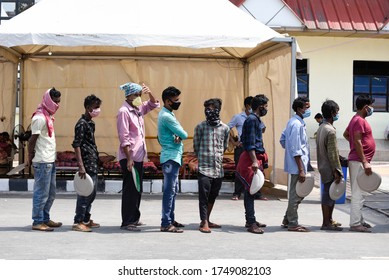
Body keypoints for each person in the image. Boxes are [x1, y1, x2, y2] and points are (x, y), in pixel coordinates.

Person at [117, 82, 160, 231]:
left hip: (139, 156)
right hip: (130, 156)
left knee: (137, 189)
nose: (138, 98)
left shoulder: (138, 109)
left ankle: (134, 218)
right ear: (128, 95)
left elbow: (154, 104)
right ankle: (127, 221)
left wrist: (150, 93)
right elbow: (124, 137)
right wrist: (129, 158)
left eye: (139, 95)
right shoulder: (124, 111)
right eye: (136, 95)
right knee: (130, 189)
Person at [28, 88, 62, 231]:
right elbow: (32, 140)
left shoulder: (47, 116)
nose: (57, 104)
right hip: (42, 161)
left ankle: (45, 218)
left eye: (58, 102)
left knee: (50, 193)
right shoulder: (39, 118)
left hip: (49, 160)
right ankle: (37, 221)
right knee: (41, 193)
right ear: (48, 100)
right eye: (55, 101)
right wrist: (30, 157)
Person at [193, 98, 229, 233]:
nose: (209, 111)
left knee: (213, 195)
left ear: (219, 110)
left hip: (218, 169)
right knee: (203, 196)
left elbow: (224, 146)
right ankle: (204, 222)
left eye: (212, 108)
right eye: (207, 108)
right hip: (204, 168)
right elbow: (196, 147)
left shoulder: (225, 128)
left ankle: (207, 218)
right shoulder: (200, 127)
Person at [236, 94, 269, 234]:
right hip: (250, 161)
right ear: (260, 107)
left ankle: (251, 219)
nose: (267, 109)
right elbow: (249, 143)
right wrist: (255, 161)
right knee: (250, 191)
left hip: (254, 159)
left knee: (252, 191)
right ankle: (251, 222)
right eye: (266, 106)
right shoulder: (251, 120)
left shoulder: (255, 119)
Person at [343, 94, 376, 233]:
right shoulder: (359, 121)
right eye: (370, 106)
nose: (372, 109)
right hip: (359, 161)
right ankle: (355, 223)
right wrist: (364, 161)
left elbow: (346, 134)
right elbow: (356, 140)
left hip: (359, 159)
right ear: (365, 107)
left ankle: (359, 220)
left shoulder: (356, 119)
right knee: (358, 192)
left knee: (360, 191)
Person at [158, 86, 188, 233]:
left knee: (173, 190)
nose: (178, 102)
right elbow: (183, 133)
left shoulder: (167, 113)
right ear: (167, 101)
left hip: (172, 156)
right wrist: (179, 135)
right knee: (169, 191)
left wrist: (177, 135)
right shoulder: (167, 116)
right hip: (170, 157)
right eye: (176, 100)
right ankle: (166, 222)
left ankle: (170, 218)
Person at [71, 94, 102, 232]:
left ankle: (86, 219)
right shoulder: (81, 124)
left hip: (93, 162)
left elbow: (90, 144)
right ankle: (78, 221)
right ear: (88, 107)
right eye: (96, 107)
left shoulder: (91, 123)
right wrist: (81, 166)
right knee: (85, 194)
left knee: (92, 193)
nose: (98, 110)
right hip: (86, 164)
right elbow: (76, 145)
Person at [279, 96, 311, 232]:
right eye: (306, 107)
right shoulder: (296, 124)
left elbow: (283, 140)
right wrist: (301, 169)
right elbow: (296, 149)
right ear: (299, 109)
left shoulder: (293, 122)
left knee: (297, 193)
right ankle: (292, 222)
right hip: (297, 165)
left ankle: (288, 218)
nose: (308, 110)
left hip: (297, 164)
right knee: (296, 194)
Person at [228, 96, 267, 201]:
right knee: (241, 170)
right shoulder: (240, 117)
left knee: (256, 172)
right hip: (244, 147)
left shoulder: (255, 119)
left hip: (255, 148)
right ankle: (237, 193)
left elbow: (262, 129)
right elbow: (227, 129)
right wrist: (234, 142)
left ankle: (256, 192)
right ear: (247, 106)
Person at [316, 100, 343, 231]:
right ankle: (326, 222)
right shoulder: (330, 130)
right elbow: (332, 153)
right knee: (328, 195)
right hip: (329, 168)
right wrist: (337, 171)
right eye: (337, 112)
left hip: (322, 165)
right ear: (332, 113)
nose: (338, 114)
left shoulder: (321, 127)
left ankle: (329, 220)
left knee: (329, 194)